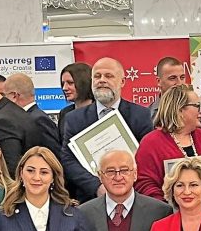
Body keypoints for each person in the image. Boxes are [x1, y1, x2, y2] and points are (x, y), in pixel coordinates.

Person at [61, 57, 153, 203]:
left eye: (109, 76)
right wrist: (96, 186)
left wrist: (124, 183)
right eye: (97, 76)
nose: (102, 80)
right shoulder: (74, 119)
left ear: (122, 82)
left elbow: (147, 158)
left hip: (133, 197)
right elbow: (68, 160)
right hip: (90, 200)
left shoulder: (141, 115)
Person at [134, 84, 201, 200]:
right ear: (180, 109)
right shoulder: (151, 143)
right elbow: (144, 184)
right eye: (197, 106)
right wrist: (169, 205)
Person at [3, 73, 61, 158]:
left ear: (14, 96)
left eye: (4, 95)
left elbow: (54, 154)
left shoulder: (38, 120)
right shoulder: (30, 117)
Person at [58, 62, 94, 143]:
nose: (64, 88)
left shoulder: (101, 110)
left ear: (84, 82)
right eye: (63, 84)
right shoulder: (64, 113)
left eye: (70, 83)